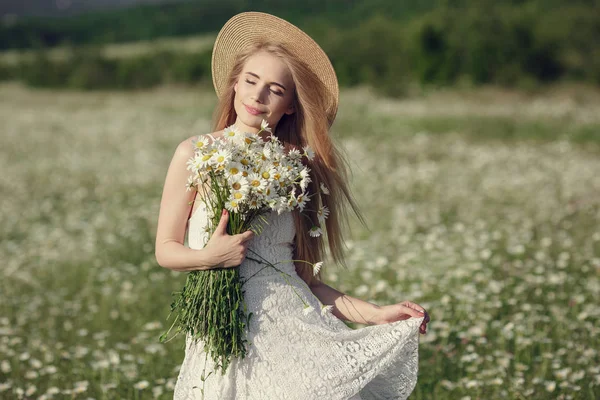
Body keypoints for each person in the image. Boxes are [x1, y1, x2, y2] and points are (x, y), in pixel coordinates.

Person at [154, 11, 430, 400]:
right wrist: (211, 257)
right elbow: (165, 250)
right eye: (250, 81)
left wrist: (378, 314)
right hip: (216, 338)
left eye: (275, 90)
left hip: (290, 335)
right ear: (234, 84)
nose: (257, 96)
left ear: (290, 106)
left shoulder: (298, 168)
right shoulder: (195, 153)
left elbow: (309, 281)